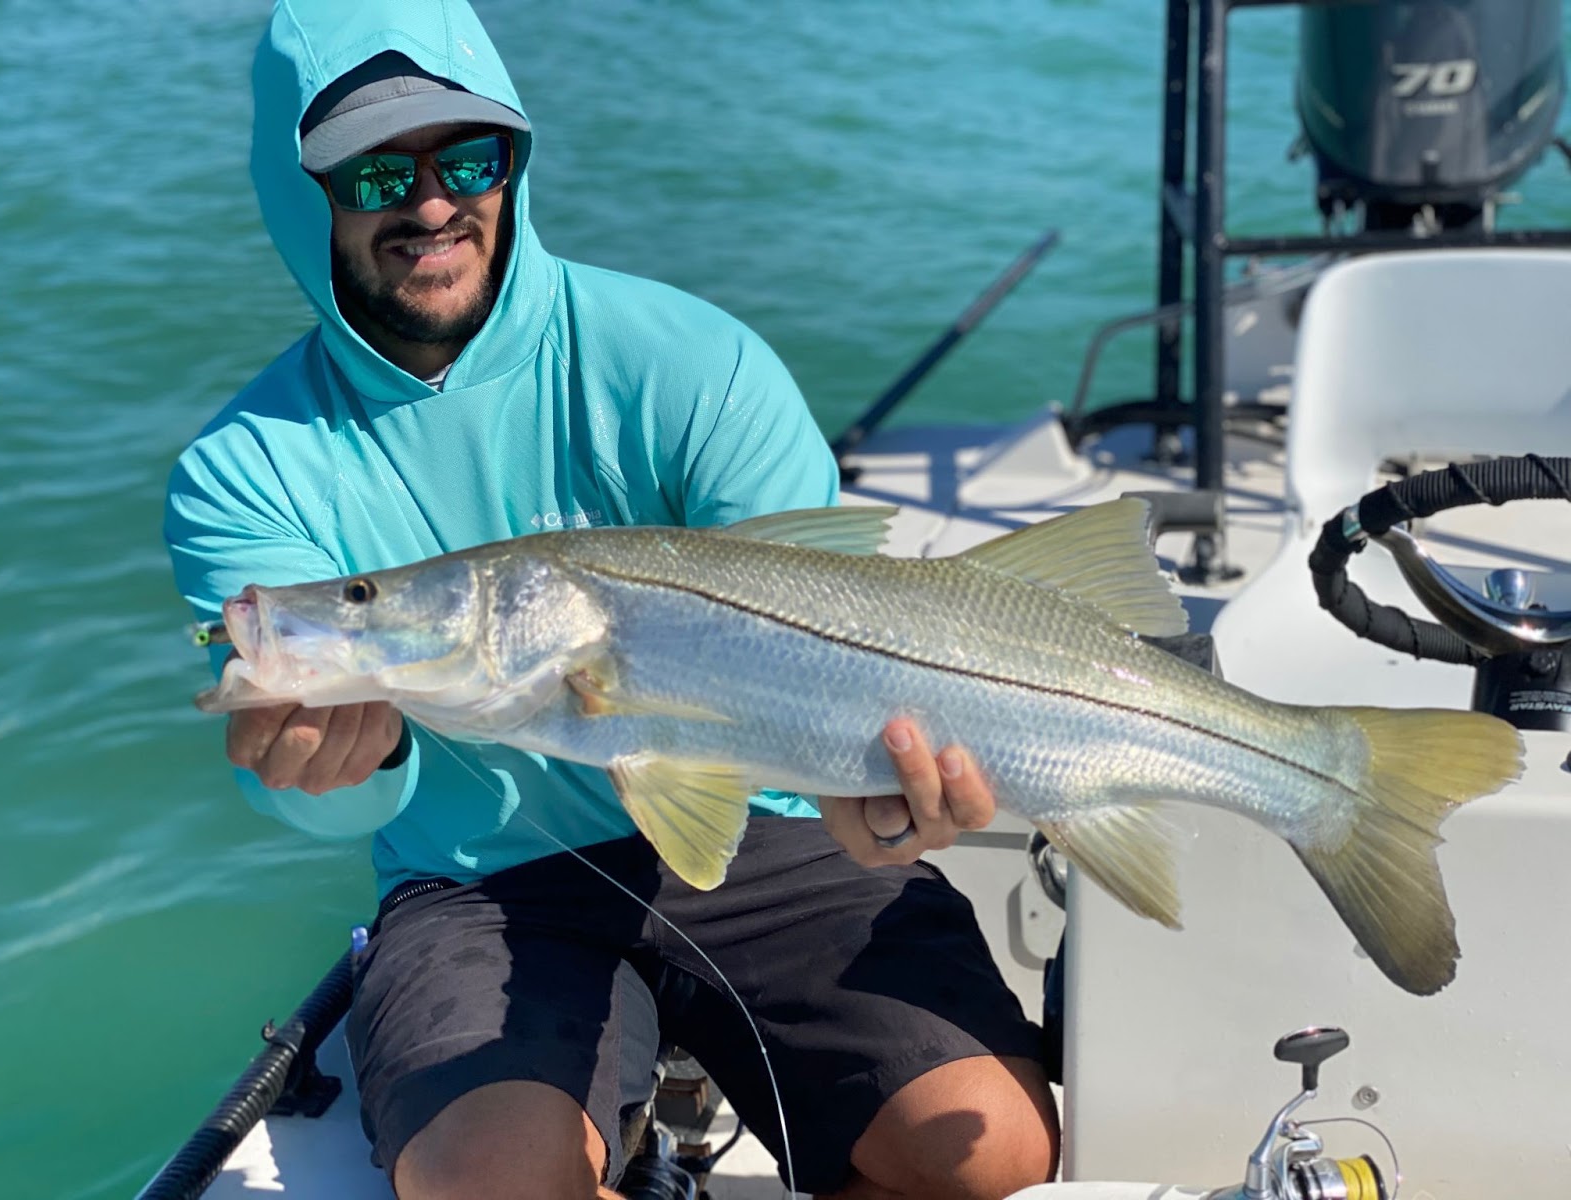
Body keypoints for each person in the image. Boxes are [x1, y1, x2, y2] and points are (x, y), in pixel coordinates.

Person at [165, 1, 1060, 1197]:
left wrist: (867, 795)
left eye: (467, 159)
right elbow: (316, 790)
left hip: (761, 825)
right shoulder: (244, 470)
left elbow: (823, 647)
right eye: (378, 171)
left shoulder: (690, 359)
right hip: (479, 885)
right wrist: (343, 774)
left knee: (990, 1153)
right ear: (304, 194)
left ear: (512, 167)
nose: (432, 204)